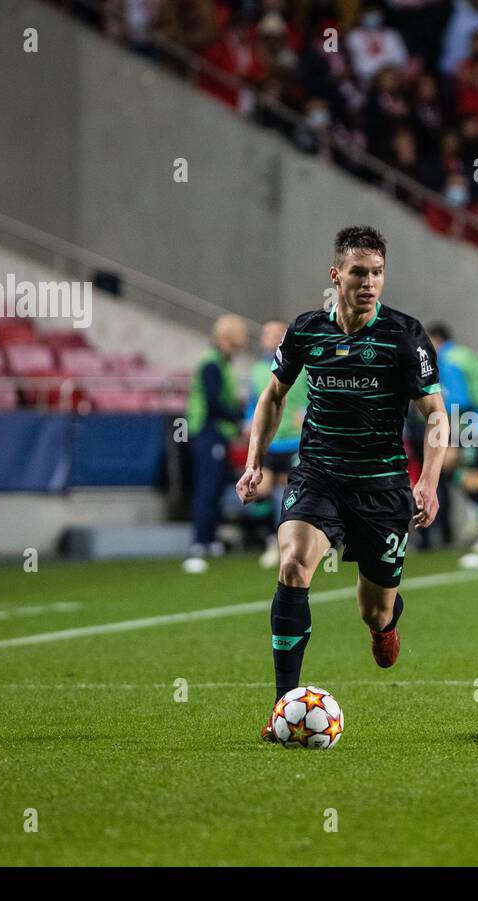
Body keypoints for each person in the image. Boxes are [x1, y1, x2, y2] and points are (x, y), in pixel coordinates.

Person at [236, 226, 447, 743]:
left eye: (377, 273)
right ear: (336, 275)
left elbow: (436, 415)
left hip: (382, 486)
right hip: (319, 474)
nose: (369, 282)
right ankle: (283, 704)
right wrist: (254, 462)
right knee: (292, 564)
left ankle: (385, 626)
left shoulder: (404, 335)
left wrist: (430, 482)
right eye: (358, 272)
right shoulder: (307, 330)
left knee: (373, 609)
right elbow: (273, 397)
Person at [429, 324, 478, 556]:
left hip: (476, 425)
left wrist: (449, 432)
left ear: (436, 340)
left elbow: (459, 400)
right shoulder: (467, 355)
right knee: (470, 474)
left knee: (462, 474)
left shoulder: (447, 360)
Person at [184, 313, 248, 572]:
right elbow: (213, 403)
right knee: (207, 486)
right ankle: (200, 540)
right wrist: (237, 417)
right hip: (207, 431)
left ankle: (210, 538)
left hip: (217, 432)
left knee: (217, 485)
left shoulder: (220, 363)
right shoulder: (211, 364)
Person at [244, 320, 309, 568]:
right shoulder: (257, 370)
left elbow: (315, 393)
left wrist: (307, 411)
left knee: (287, 493)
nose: (268, 338)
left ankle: (286, 543)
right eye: (266, 333)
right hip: (270, 441)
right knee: (260, 490)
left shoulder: (301, 366)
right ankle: (272, 538)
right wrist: (248, 421)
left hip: (294, 440)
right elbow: (254, 402)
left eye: (274, 334)